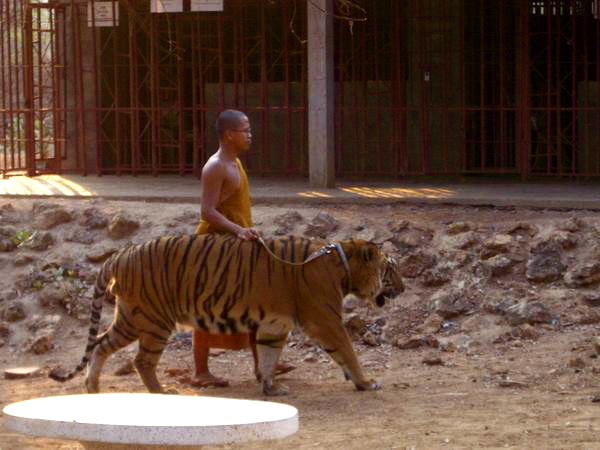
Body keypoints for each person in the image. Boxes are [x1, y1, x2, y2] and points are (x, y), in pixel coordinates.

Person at [190, 109, 295, 388]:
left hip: (236, 246)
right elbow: (207, 211)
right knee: (207, 308)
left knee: (252, 304)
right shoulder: (216, 166)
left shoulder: (234, 163)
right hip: (214, 249)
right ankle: (200, 371)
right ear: (228, 134)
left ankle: (263, 363)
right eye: (245, 130)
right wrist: (238, 230)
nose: (250, 135)